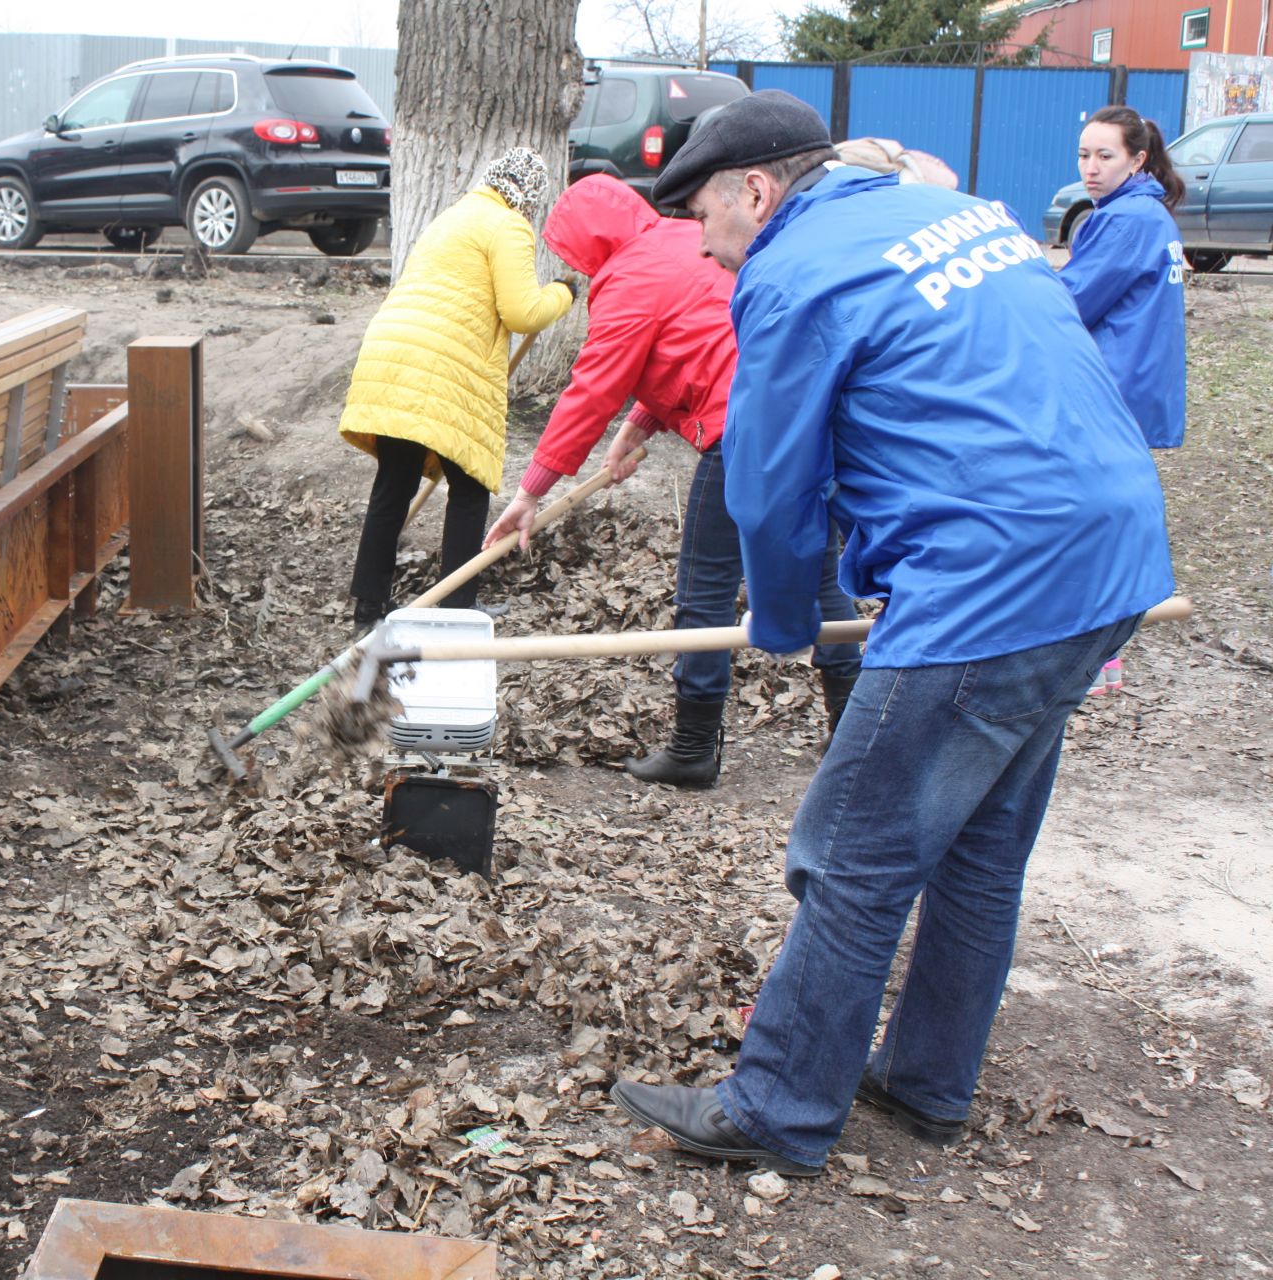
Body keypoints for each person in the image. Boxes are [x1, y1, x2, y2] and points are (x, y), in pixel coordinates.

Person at [606, 91, 1175, 1177]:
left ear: (758, 191)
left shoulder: (792, 269)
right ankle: (927, 1080)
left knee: (854, 847)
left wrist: (780, 620)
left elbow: (769, 491)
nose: (706, 250)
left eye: (706, 221)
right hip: (1109, 554)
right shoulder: (951, 213)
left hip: (995, 579)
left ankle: (778, 1101)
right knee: (978, 844)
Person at [482, 173, 862, 788]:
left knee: (705, 586)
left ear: (585, 244)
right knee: (821, 575)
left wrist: (530, 493)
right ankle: (854, 740)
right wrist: (640, 423)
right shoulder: (688, 239)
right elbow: (699, 342)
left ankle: (692, 748)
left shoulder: (628, 277)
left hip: (743, 429)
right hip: (800, 412)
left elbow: (592, 389)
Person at [339, 147, 574, 630]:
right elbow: (521, 312)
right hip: (444, 366)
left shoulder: (456, 215)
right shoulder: (508, 225)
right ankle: (458, 606)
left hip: (393, 355)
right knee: (469, 486)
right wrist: (565, 292)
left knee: (394, 483)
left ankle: (368, 608)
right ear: (529, 195)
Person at [1062, 105, 1188, 696]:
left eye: (1104, 155)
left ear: (1137, 159)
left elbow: (1073, 301)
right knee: (1107, 518)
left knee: (1093, 521)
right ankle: (1102, 651)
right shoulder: (1143, 213)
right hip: (1133, 385)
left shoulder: (1127, 220)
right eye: (1084, 154)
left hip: (1112, 389)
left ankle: (1099, 653)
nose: (1090, 168)